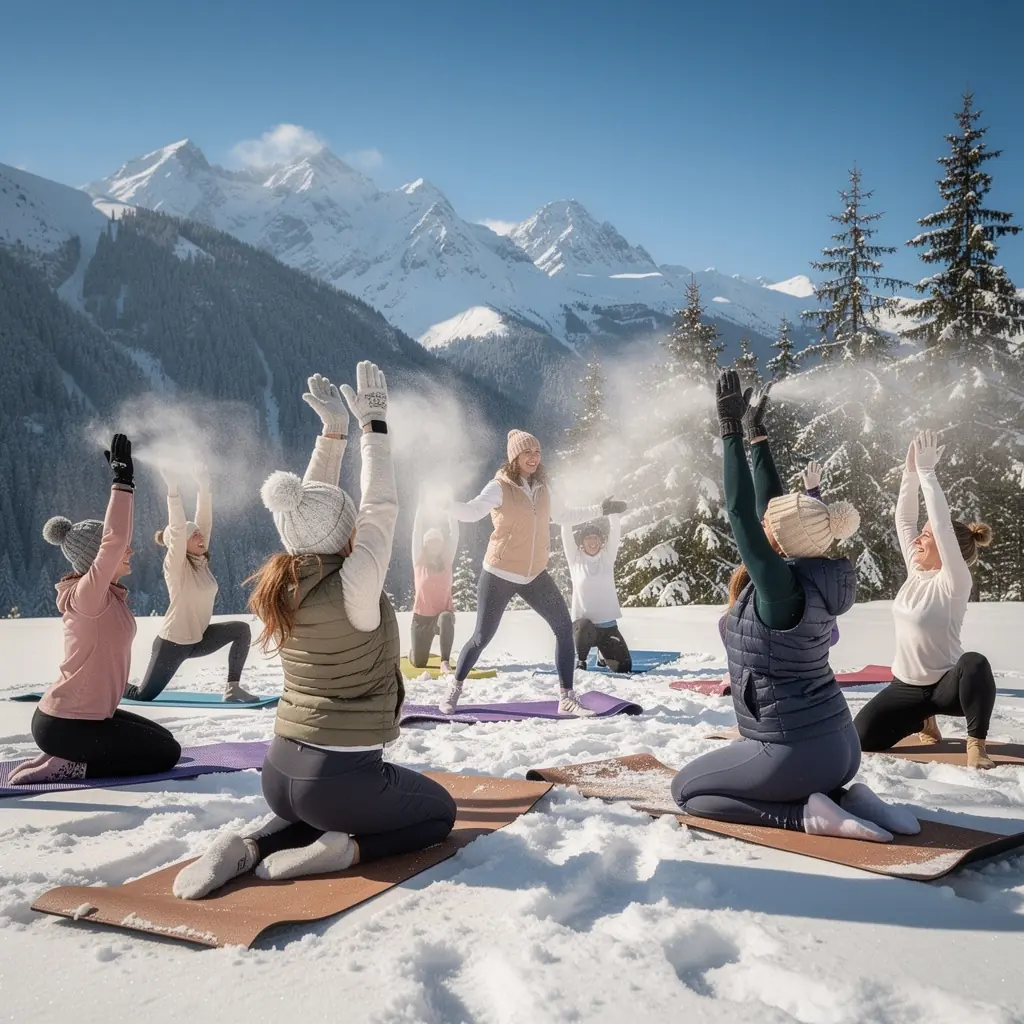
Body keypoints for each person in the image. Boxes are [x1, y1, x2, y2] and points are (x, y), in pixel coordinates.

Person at [173, 366, 457, 899]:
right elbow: (380, 506)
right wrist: (373, 426)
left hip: (279, 772)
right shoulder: (355, 585)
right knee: (439, 814)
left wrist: (332, 436)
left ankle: (252, 844)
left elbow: (305, 510)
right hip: (335, 779)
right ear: (344, 534)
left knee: (319, 803)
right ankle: (341, 851)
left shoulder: (282, 582)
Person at [671, 372, 919, 841]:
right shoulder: (816, 571)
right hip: (840, 748)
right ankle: (850, 799)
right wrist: (757, 436)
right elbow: (771, 510)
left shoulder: (780, 588)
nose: (767, 523)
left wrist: (727, 430)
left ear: (779, 540)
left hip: (797, 753)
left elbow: (743, 513)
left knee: (687, 791)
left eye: (774, 524)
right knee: (718, 780)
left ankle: (808, 817)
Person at [10, 435, 181, 785]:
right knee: (167, 756)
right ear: (97, 560)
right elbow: (114, 540)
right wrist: (123, 483)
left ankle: (63, 753)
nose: (129, 552)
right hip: (67, 724)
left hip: (83, 718)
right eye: (122, 551)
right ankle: (72, 764)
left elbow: (117, 542)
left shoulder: (107, 597)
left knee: (167, 741)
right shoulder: (89, 597)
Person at [440, 429, 627, 717]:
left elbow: (565, 515)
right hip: (499, 573)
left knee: (564, 628)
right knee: (482, 636)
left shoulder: (543, 488)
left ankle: (566, 696)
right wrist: (445, 505)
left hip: (534, 575)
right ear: (515, 457)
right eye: (527, 452)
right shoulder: (499, 487)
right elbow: (472, 511)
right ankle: (454, 688)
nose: (534, 457)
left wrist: (601, 509)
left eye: (537, 452)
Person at [854, 430, 996, 768]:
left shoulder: (955, 581)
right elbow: (904, 519)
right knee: (861, 740)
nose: (918, 538)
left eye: (927, 535)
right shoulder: (916, 571)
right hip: (906, 687)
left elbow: (943, 527)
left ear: (947, 549)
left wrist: (930, 474)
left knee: (975, 664)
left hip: (949, 689)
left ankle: (976, 744)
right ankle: (923, 720)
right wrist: (911, 473)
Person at [124, 464, 256, 702]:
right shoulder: (176, 568)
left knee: (241, 630)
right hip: (172, 644)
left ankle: (232, 688)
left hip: (199, 639)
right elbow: (176, 531)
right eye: (193, 535)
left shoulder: (200, 561)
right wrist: (173, 491)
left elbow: (203, 522)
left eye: (199, 534)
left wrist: (204, 487)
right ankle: (110, 683)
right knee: (142, 695)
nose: (200, 536)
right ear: (181, 543)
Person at [716, 458, 839, 649]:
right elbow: (809, 532)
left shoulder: (778, 572)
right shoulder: (814, 567)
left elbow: (806, 528)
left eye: (766, 523)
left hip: (776, 660)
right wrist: (813, 493)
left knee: (727, 623)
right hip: (810, 652)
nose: (762, 525)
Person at [562, 515, 632, 673]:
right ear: (582, 542)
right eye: (588, 538)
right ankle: (581, 660)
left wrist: (612, 513)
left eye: (595, 538)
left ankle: (603, 654)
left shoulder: (607, 557)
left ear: (601, 541)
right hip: (583, 627)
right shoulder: (575, 559)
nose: (592, 541)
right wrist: (565, 511)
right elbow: (566, 532)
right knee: (584, 626)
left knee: (624, 668)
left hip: (607, 625)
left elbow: (615, 532)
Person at [409, 499, 459, 673]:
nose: (435, 545)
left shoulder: (447, 561)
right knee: (419, 663)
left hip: (441, 617)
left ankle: (444, 660)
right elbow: (416, 532)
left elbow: (455, 534)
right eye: (431, 542)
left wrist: (450, 505)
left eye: (437, 542)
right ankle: (414, 653)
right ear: (425, 544)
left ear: (442, 544)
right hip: (421, 618)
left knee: (446, 617)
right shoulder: (419, 561)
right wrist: (421, 505)